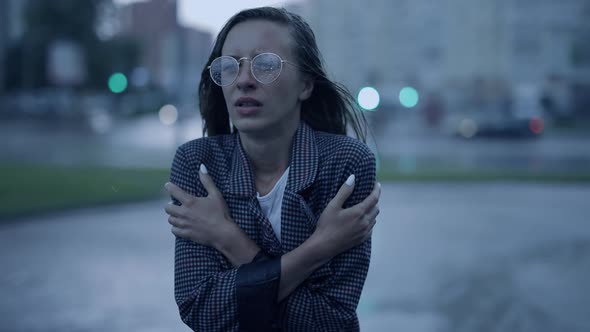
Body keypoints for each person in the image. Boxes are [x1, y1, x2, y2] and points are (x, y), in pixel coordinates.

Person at [164, 7, 380, 332]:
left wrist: (228, 240)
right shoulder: (198, 164)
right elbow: (203, 311)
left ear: (305, 85)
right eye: (230, 66)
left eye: (265, 65)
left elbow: (330, 321)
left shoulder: (346, 163)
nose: (244, 81)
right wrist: (319, 249)